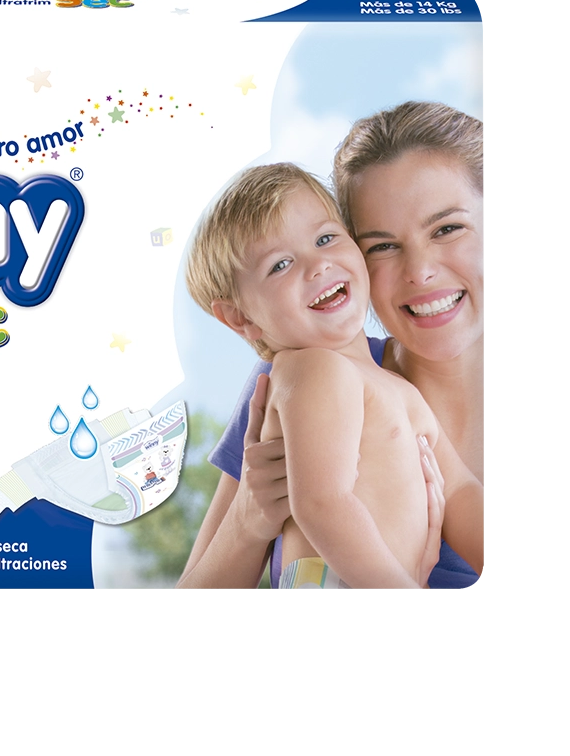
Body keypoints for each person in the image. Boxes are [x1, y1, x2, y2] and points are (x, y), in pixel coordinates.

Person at [178, 101, 485, 590]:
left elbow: (462, 493)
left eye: (325, 239)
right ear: (240, 317)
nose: (317, 265)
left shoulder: (393, 390)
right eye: (280, 265)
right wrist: (247, 523)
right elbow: (322, 503)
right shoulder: (309, 372)